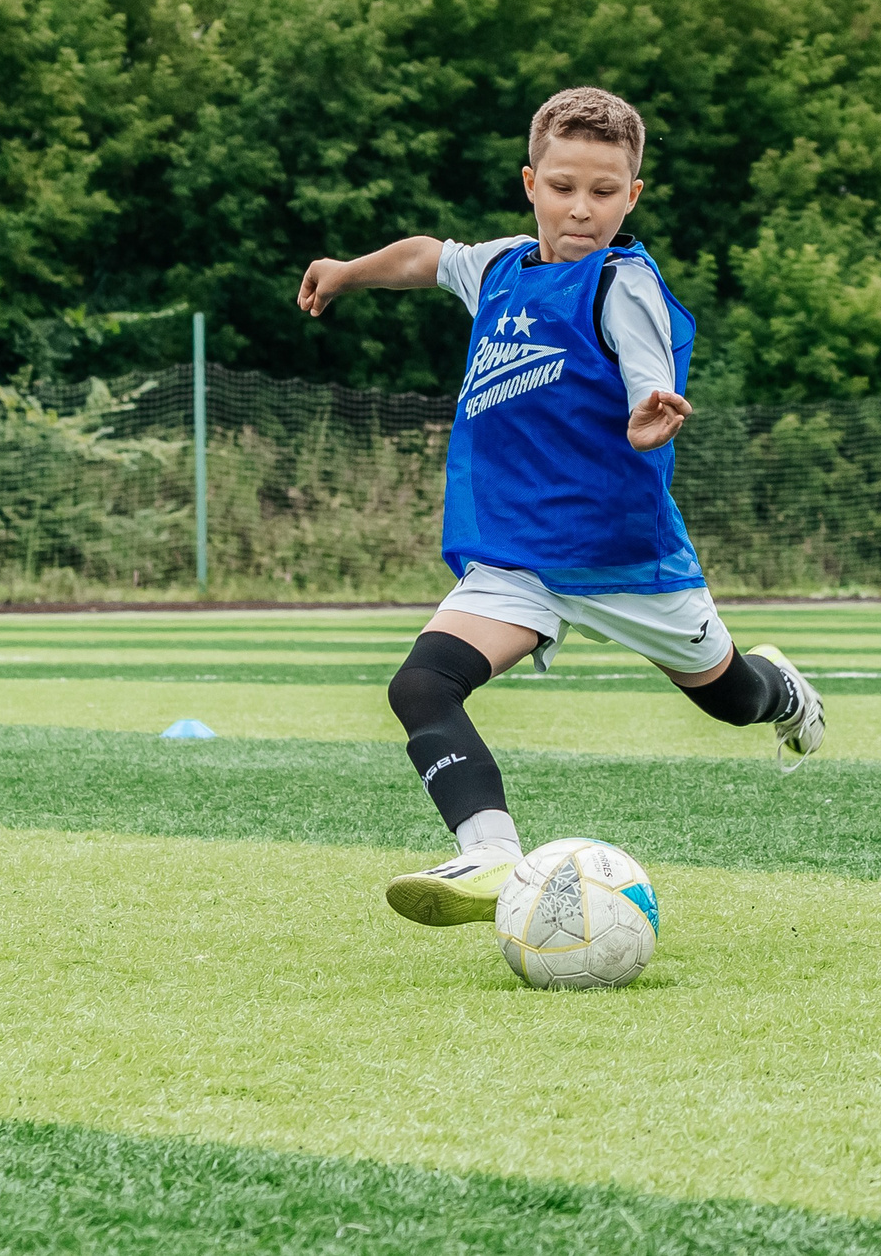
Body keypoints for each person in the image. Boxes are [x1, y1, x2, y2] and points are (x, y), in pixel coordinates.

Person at [296, 87, 827, 928]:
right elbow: (429, 256)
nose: (582, 209)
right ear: (530, 184)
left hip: (625, 560)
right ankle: (490, 854)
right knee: (421, 686)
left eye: (604, 192)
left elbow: (650, 374)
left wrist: (650, 412)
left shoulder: (622, 286)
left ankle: (785, 693)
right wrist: (347, 271)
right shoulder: (500, 267)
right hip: (516, 558)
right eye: (564, 186)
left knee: (731, 699)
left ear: (632, 196)